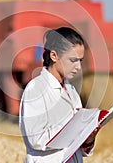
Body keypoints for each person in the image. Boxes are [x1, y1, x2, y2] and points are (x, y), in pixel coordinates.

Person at [19, 27, 100, 163]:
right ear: (54, 56)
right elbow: (36, 140)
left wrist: (88, 138)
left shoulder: (72, 91)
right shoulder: (36, 89)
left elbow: (76, 148)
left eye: (80, 60)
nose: (78, 67)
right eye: (73, 60)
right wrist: (73, 126)